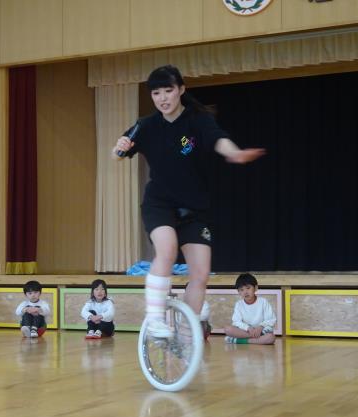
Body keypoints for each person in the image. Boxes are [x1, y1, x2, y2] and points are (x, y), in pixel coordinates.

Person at [113, 65, 265, 338]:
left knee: (201, 273)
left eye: (168, 90)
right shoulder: (146, 125)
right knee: (167, 250)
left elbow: (219, 140)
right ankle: (155, 319)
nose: (162, 98)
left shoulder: (198, 121)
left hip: (194, 208)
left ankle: (185, 334)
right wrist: (118, 148)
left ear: (181, 90)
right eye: (156, 93)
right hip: (159, 204)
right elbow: (118, 153)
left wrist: (235, 154)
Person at [223, 273, 276, 345]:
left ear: (255, 288)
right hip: (246, 331)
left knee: (271, 337)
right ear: (238, 292)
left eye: (248, 288)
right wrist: (248, 328)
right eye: (241, 290)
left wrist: (260, 327)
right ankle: (256, 339)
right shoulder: (239, 304)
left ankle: (239, 341)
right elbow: (236, 322)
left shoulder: (263, 302)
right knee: (227, 329)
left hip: (261, 331)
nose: (245, 292)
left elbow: (271, 319)